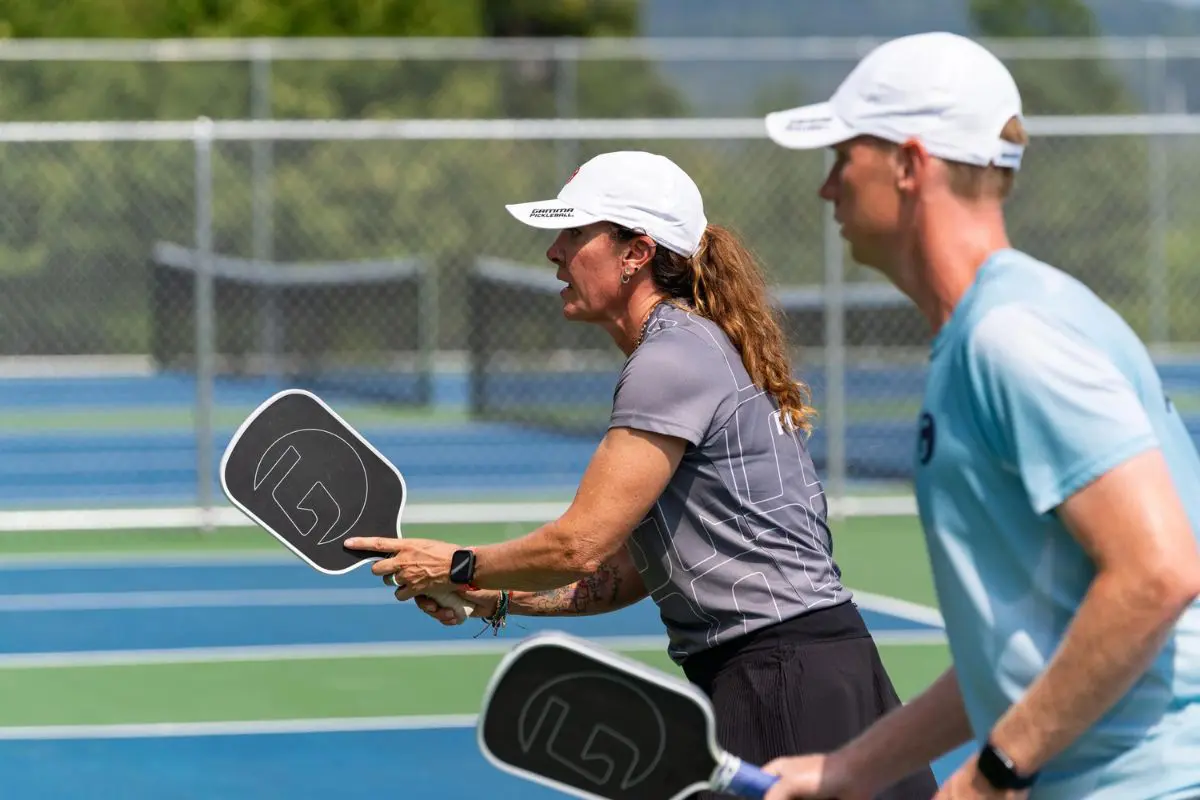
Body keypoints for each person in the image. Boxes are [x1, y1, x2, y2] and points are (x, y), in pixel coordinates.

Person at [345, 149, 937, 798]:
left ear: (637, 253)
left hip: (780, 680)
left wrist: (456, 564)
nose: (554, 252)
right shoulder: (692, 345)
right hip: (812, 670)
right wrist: (499, 597)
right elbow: (626, 571)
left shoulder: (670, 359)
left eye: (575, 233)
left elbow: (578, 544)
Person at [758, 31, 1200, 800]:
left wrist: (994, 774)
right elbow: (1018, 656)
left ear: (910, 163)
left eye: (844, 158)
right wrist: (846, 770)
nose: (828, 188)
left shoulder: (1009, 337)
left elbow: (1158, 574)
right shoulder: (988, 332)